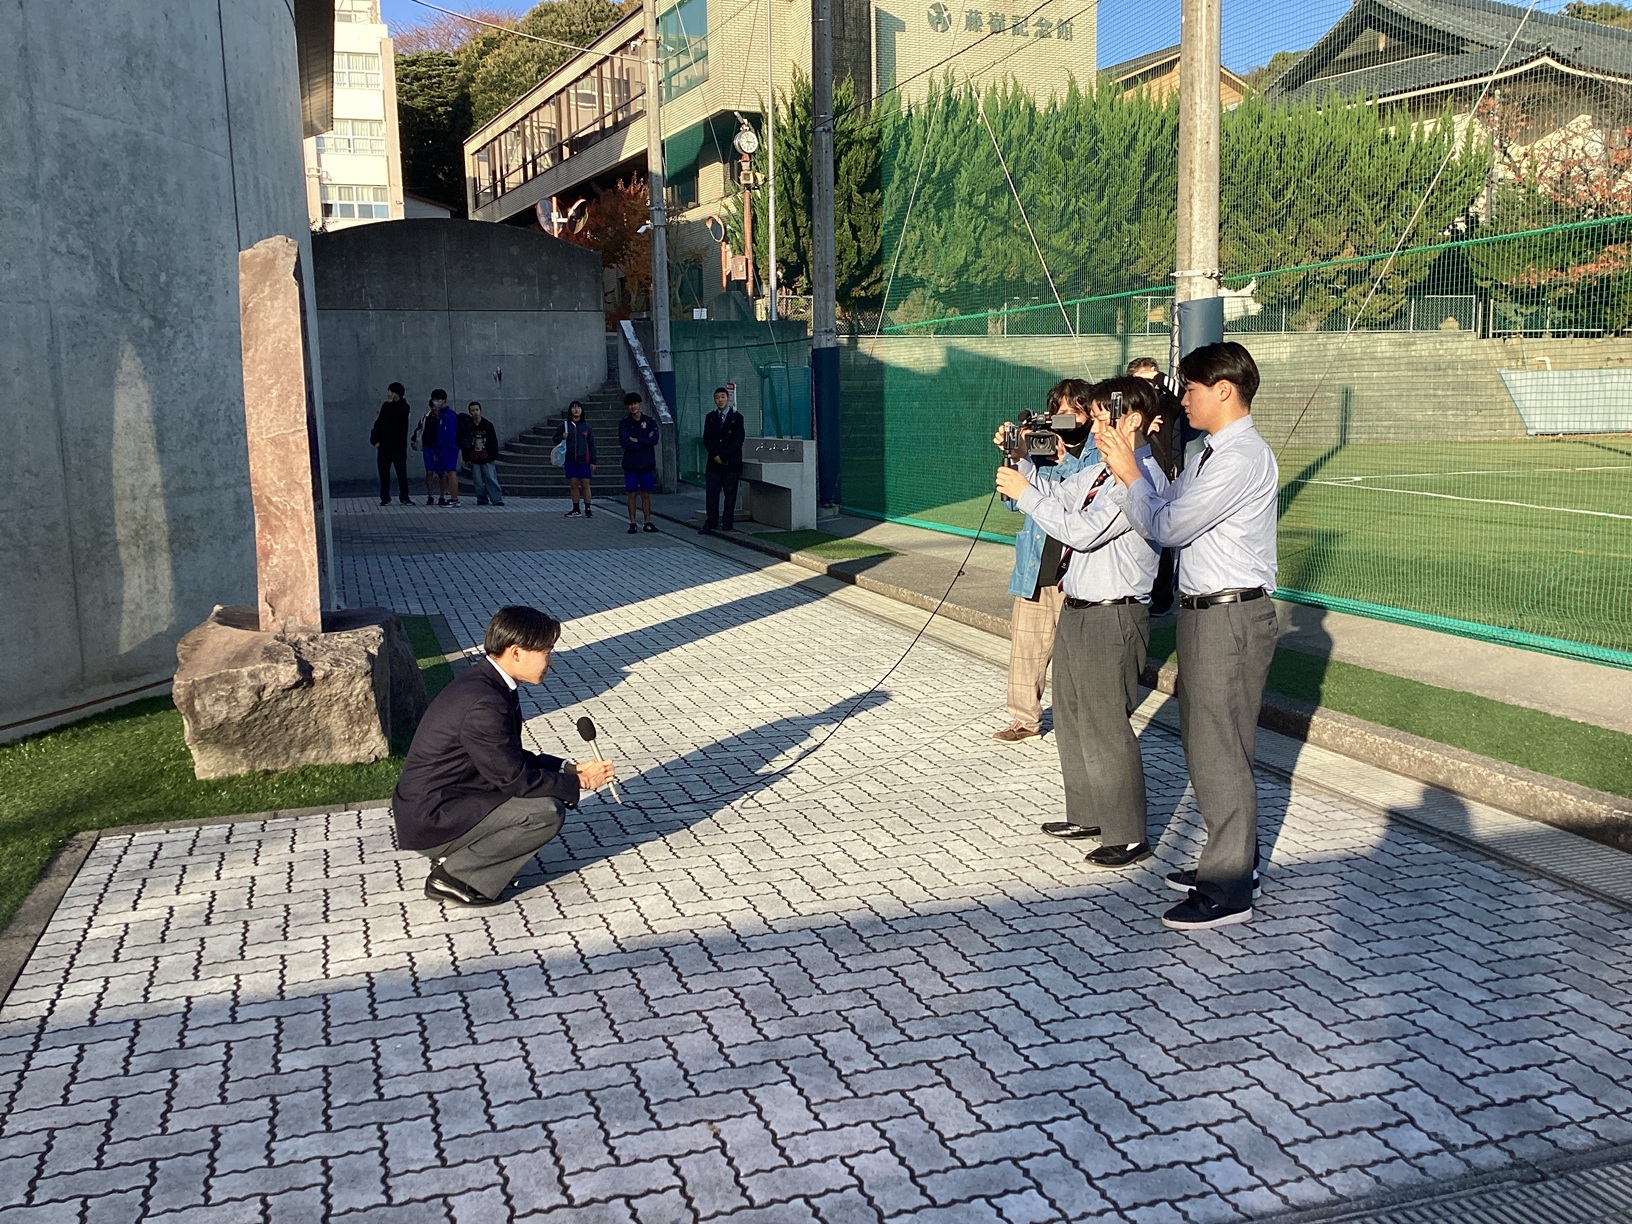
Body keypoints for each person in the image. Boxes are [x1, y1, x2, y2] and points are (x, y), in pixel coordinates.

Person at [1098, 341, 1279, 932]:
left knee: (1217, 744)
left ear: (1224, 389)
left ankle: (1227, 885)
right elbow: (1167, 502)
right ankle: (1234, 861)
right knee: (1217, 742)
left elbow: (1169, 524)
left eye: (1192, 388)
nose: (1184, 399)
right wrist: (1137, 466)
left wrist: (1130, 476)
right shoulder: (1206, 452)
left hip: (1228, 616)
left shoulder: (1239, 457)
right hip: (1207, 614)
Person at [997, 377, 1170, 864]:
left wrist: (1027, 494)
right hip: (1078, 607)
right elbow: (1055, 491)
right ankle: (1089, 812)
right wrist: (1022, 459)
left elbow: (1084, 531)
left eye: (1100, 417)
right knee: (1072, 717)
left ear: (1131, 419)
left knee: (1105, 723)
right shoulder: (1098, 474)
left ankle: (1127, 832)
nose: (1093, 427)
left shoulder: (1141, 478)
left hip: (1113, 616)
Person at [391, 606, 617, 907]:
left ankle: (466, 859)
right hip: (432, 817)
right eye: (545, 653)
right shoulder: (485, 702)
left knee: (541, 801)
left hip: (444, 800)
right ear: (516, 652)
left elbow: (506, 757)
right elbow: (514, 779)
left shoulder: (488, 684)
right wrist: (579, 783)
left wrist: (569, 768)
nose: (550, 662)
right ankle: (455, 877)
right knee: (544, 813)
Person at [990, 379, 1097, 743]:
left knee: (1076, 655)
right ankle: (1023, 719)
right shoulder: (1037, 444)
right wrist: (1014, 455)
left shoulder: (1099, 450)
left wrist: (1064, 461)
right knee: (1026, 650)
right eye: (1059, 412)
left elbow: (1087, 496)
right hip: (1037, 563)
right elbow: (1010, 501)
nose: (1066, 419)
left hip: (1076, 571)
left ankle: (1079, 720)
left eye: (1074, 412)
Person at [700, 386, 745, 534]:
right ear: (714, 400)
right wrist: (716, 456)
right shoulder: (711, 417)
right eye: (717, 397)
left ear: (728, 398)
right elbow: (707, 439)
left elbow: (738, 441)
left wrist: (725, 457)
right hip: (713, 463)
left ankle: (727, 523)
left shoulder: (737, 418)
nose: (720, 400)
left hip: (731, 463)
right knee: (712, 494)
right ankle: (711, 521)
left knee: (730, 494)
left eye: (723, 397)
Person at [618, 391, 660, 534]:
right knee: (631, 494)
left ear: (639, 404)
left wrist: (638, 439)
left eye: (635, 403)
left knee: (646, 494)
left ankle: (647, 522)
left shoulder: (649, 421)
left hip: (647, 463)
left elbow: (654, 439)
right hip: (631, 465)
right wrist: (645, 440)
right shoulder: (624, 423)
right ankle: (632, 522)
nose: (633, 407)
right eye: (630, 404)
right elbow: (625, 443)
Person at [552, 400, 597, 517]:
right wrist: (562, 436)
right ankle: (576, 508)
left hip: (584, 460)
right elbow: (555, 439)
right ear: (570, 410)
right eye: (574, 408)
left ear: (582, 410)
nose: (576, 410)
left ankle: (588, 507)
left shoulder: (586, 427)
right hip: (570, 459)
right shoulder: (565, 425)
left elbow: (592, 444)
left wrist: (593, 461)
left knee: (585, 483)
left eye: (578, 408)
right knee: (573, 484)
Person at [371, 382, 412, 505]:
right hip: (384, 445)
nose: (389, 394)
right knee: (383, 472)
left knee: (401, 472)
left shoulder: (404, 407)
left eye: (391, 391)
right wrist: (375, 440)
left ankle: (404, 496)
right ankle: (385, 497)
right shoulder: (385, 405)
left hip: (398, 446)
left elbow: (394, 420)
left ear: (396, 393)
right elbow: (379, 422)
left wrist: (390, 405)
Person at [459, 401, 505, 506]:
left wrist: (493, 455)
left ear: (481, 411)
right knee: (477, 480)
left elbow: (493, 441)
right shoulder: (467, 426)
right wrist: (466, 458)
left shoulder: (487, 425)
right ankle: (481, 498)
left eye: (477, 410)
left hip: (487, 457)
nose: (475, 413)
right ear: (469, 412)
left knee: (491, 478)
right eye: (472, 410)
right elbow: (465, 443)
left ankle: (497, 499)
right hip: (473, 457)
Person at [432, 391, 462, 506]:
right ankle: (452, 498)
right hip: (442, 447)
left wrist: (446, 446)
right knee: (447, 472)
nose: (435, 402)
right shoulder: (441, 414)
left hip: (449, 448)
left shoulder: (449, 415)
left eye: (437, 400)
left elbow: (449, 433)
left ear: (443, 400)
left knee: (451, 471)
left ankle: (454, 499)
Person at [410, 396, 441, 506]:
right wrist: (414, 440)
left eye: (436, 407)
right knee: (429, 472)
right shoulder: (425, 418)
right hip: (428, 447)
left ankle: (442, 495)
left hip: (439, 448)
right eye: (432, 407)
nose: (434, 409)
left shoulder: (442, 418)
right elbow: (419, 429)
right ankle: (430, 495)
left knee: (442, 473)